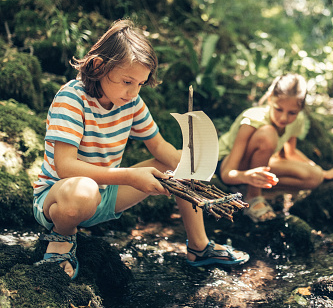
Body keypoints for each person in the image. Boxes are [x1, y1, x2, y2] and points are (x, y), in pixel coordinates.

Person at [32, 19, 249, 280]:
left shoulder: (131, 103)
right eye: (127, 81)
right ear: (99, 66)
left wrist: (193, 171)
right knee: (83, 191)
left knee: (178, 164)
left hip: (106, 196)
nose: (133, 92)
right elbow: (65, 167)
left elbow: (158, 146)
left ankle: (199, 247)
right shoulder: (72, 98)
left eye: (140, 84)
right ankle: (62, 235)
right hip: (61, 199)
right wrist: (131, 176)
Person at [217, 73, 333, 223]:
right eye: (279, 109)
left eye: (292, 113)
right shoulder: (253, 120)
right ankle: (253, 197)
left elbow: (290, 153)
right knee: (268, 133)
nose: (284, 118)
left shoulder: (297, 120)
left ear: (300, 109)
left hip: (256, 168)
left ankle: (250, 190)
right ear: (270, 99)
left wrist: (323, 172)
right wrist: (246, 176)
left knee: (314, 177)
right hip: (227, 165)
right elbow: (227, 173)